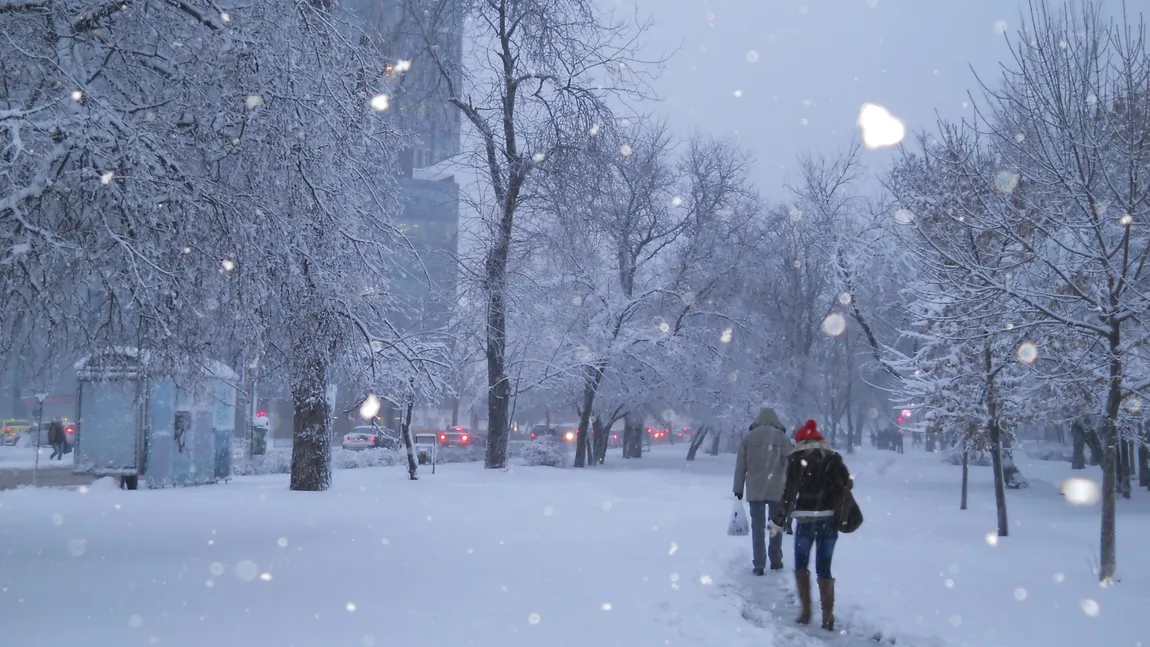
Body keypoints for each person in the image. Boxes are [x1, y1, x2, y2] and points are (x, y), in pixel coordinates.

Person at [773, 419, 852, 631]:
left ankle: (806, 613)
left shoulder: (796, 458)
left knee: (801, 565)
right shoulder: (833, 458)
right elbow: (848, 483)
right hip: (829, 519)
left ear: (800, 441)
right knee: (824, 567)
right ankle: (828, 616)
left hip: (806, 519)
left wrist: (778, 520)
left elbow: (788, 494)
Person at [733, 407, 793, 575]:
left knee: (758, 528)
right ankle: (775, 560)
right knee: (775, 526)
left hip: (755, 490)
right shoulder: (781, 438)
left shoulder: (748, 438)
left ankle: (759, 564)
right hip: (776, 489)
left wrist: (738, 489)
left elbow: (740, 467)